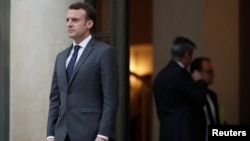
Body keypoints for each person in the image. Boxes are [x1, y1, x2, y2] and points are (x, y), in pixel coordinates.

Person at [46, 2, 119, 141]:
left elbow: (111, 99)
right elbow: (55, 99)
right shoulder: (61, 57)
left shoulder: (104, 52)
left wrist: (102, 135)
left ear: (89, 24)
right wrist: (50, 134)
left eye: (75, 20)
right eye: (67, 20)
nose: (69, 24)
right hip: (61, 135)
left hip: (91, 134)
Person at [153, 36, 208, 141]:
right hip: (184, 135)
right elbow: (200, 99)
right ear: (187, 55)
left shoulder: (160, 76)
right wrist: (200, 81)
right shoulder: (181, 75)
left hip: (167, 134)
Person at [190, 57, 221, 126]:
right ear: (197, 73)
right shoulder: (191, 96)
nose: (212, 75)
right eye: (209, 72)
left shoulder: (212, 95)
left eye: (212, 72)